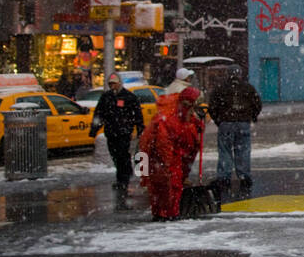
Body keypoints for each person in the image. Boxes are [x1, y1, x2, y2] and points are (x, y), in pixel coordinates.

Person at [138, 87, 204, 222]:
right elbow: (164, 143)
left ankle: (164, 213)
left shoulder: (181, 115)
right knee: (167, 187)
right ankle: (167, 214)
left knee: (167, 187)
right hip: (164, 159)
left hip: (169, 158)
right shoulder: (169, 119)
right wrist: (167, 163)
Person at [90, 72, 145, 210]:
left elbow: (137, 113)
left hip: (124, 133)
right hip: (111, 132)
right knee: (115, 155)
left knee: (122, 155)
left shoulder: (129, 97)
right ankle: (122, 175)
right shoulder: (106, 97)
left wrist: (139, 128)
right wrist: (94, 129)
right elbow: (99, 113)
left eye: (114, 83)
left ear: (119, 83)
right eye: (110, 84)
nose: (112, 86)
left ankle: (123, 179)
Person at [209, 65, 262, 196]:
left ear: (228, 74)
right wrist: (252, 116)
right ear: (240, 75)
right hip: (243, 123)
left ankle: (224, 177)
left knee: (225, 151)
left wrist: (219, 120)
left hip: (226, 123)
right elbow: (257, 104)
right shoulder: (248, 88)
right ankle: (244, 176)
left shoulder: (220, 89)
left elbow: (212, 106)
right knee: (243, 150)